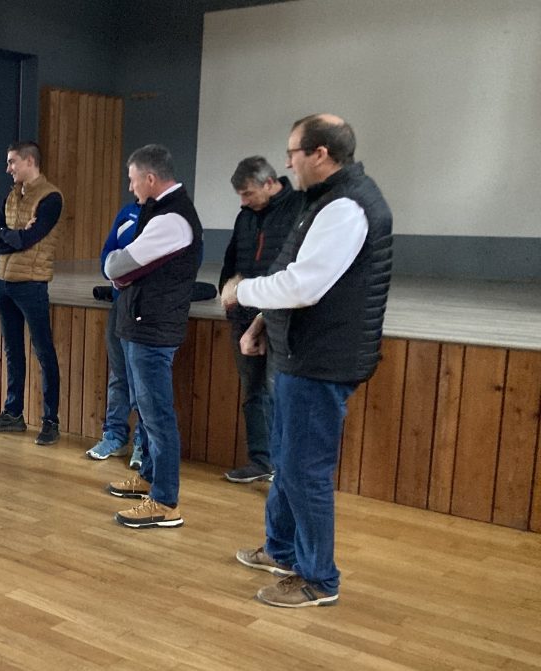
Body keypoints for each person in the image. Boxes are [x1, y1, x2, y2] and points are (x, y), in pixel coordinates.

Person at [221, 114, 393, 608]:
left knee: (304, 471)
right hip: (300, 352)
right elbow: (294, 269)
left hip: (321, 360)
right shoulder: (322, 200)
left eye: (293, 152)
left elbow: (304, 285)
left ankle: (319, 579)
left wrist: (242, 291)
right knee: (286, 461)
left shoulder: (346, 207)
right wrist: (261, 323)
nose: (288, 162)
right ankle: (282, 550)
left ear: (320, 153)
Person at [103, 144, 203, 529]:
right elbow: (121, 265)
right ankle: (148, 478)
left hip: (153, 329)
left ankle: (164, 501)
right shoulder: (158, 211)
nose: (130, 188)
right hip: (141, 323)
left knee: (157, 415)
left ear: (149, 178)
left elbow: (117, 264)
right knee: (146, 411)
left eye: (132, 180)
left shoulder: (172, 219)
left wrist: (119, 269)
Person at [218, 157, 303, 483]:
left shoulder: (299, 208)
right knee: (253, 390)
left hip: (282, 318)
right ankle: (261, 461)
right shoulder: (246, 216)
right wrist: (227, 295)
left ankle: (285, 467)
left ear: (269, 183)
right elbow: (231, 261)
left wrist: (267, 314)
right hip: (243, 315)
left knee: (279, 390)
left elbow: (293, 269)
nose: (243, 201)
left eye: (247, 193)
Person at [0, 141, 63, 446]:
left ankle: (50, 420)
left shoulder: (51, 197)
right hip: (4, 280)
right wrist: (13, 236)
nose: (8, 168)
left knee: (44, 351)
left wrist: (13, 237)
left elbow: (29, 239)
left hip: (32, 283)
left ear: (30, 161)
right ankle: (13, 413)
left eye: (12, 162)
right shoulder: (12, 195)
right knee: (12, 351)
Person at [85, 200, 144, 467]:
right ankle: (115, 435)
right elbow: (108, 251)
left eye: (134, 181)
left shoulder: (168, 214)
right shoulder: (127, 212)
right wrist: (112, 273)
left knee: (142, 380)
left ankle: (143, 443)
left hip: (148, 308)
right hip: (120, 303)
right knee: (119, 374)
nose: (131, 187)